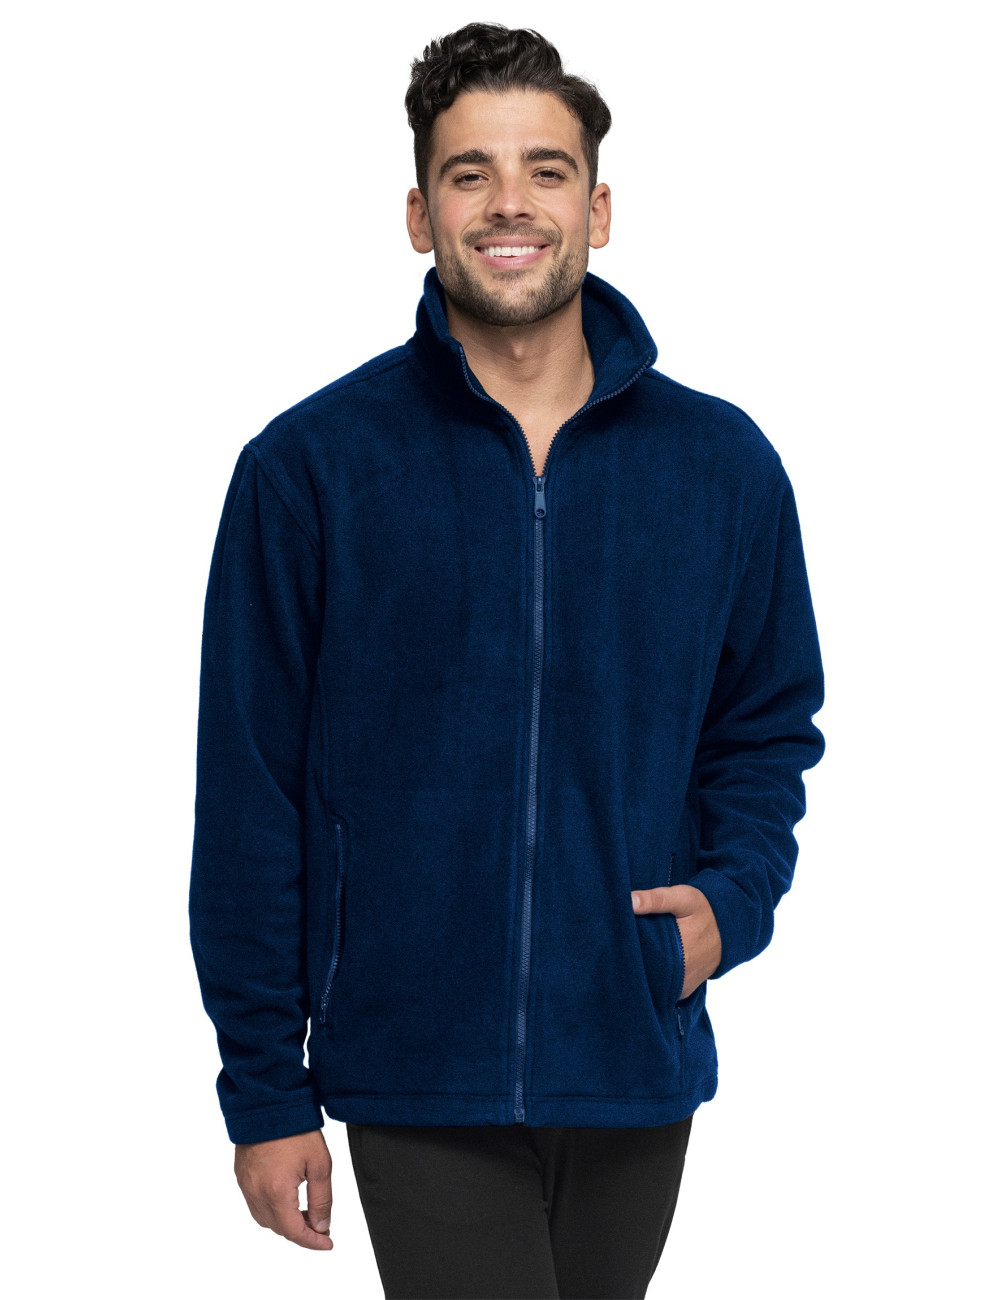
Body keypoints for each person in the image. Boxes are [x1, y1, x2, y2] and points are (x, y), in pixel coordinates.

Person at [188, 22, 826, 1300]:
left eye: (545, 170)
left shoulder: (720, 467)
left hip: (633, 1044)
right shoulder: (312, 469)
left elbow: (764, 727)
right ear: (418, 215)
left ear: (598, 208)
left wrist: (728, 904)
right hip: (413, 1057)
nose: (508, 203)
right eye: (468, 173)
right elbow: (249, 789)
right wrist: (264, 1085)